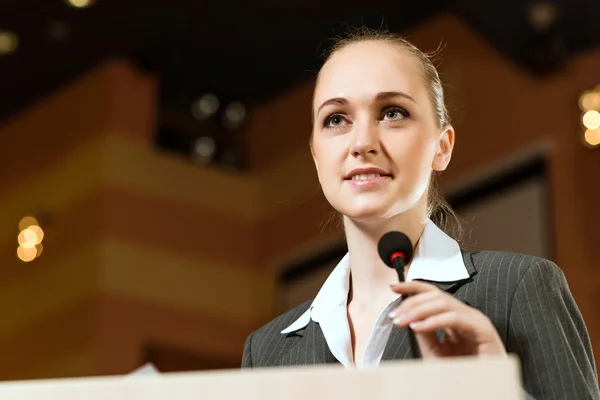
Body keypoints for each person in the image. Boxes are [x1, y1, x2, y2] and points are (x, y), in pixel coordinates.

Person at [241, 27, 599, 399]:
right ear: (317, 155)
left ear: (441, 147)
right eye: (336, 119)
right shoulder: (267, 351)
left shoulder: (518, 287)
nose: (362, 143)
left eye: (392, 113)